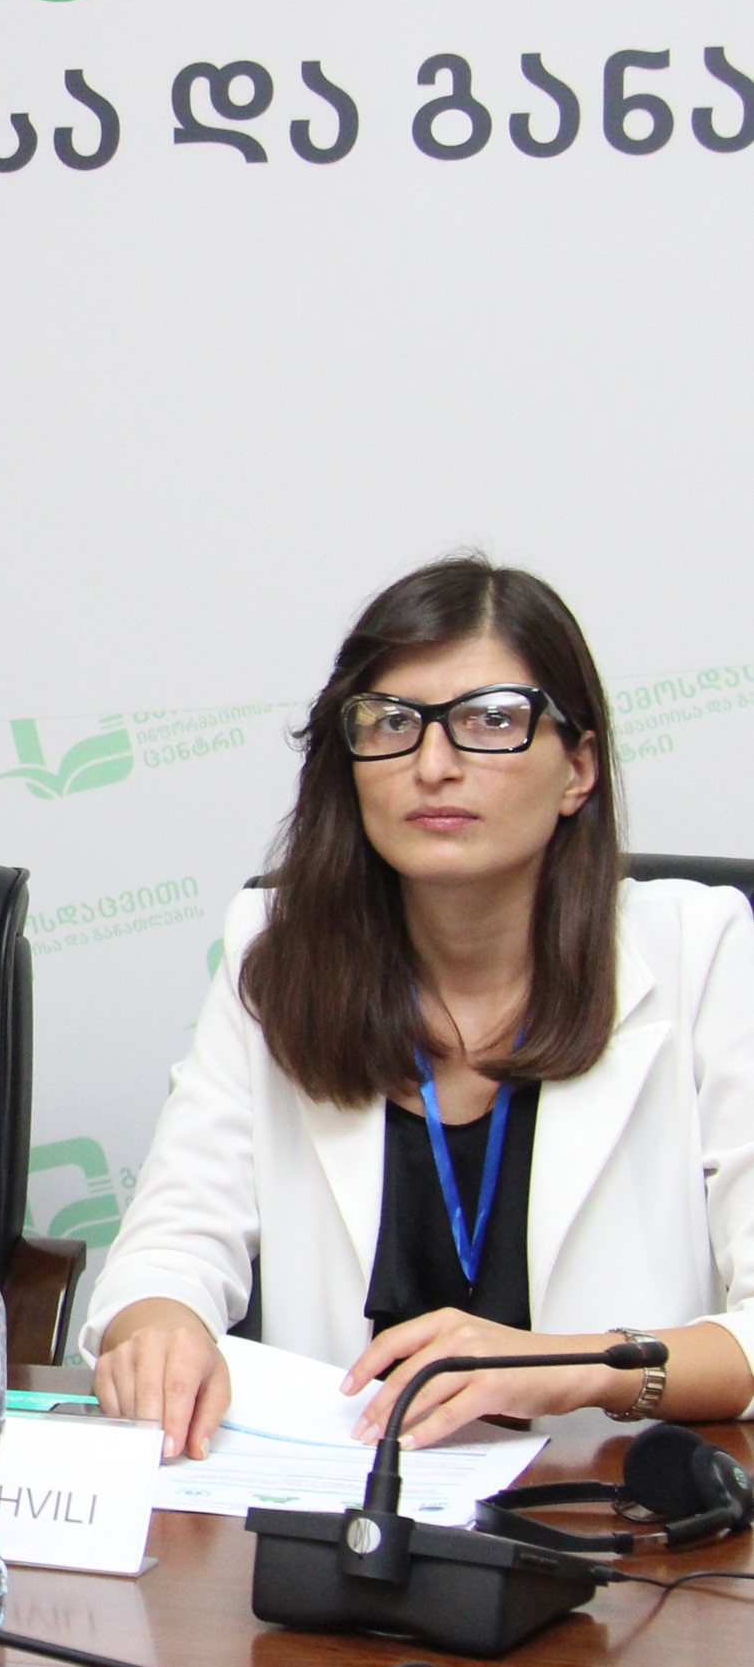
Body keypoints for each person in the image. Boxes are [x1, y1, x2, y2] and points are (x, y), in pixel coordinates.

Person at [85, 557, 754, 1457]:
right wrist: (158, 1327)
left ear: (577, 769)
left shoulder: (701, 949)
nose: (432, 765)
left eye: (491, 721)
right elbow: (168, 1246)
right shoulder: (275, 949)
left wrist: (577, 1367)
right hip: (347, 1501)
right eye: (391, 723)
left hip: (608, 1505)